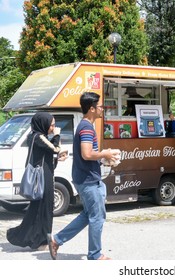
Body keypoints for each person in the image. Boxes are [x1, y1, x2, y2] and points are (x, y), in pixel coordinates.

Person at [47, 92, 119, 260]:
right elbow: (87, 154)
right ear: (92, 108)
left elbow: (88, 155)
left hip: (88, 177)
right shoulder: (86, 127)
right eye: (100, 106)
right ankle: (94, 254)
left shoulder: (86, 126)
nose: (103, 109)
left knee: (89, 215)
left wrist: (103, 159)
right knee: (97, 217)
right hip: (88, 180)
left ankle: (56, 240)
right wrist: (105, 154)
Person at [7, 112, 62, 250]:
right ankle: (39, 240)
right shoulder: (39, 137)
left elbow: (48, 155)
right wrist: (57, 135)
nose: (53, 127)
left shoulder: (37, 136)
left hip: (45, 176)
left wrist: (57, 157)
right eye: (52, 124)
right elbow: (56, 148)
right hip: (42, 178)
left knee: (40, 209)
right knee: (43, 209)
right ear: (43, 123)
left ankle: (37, 239)